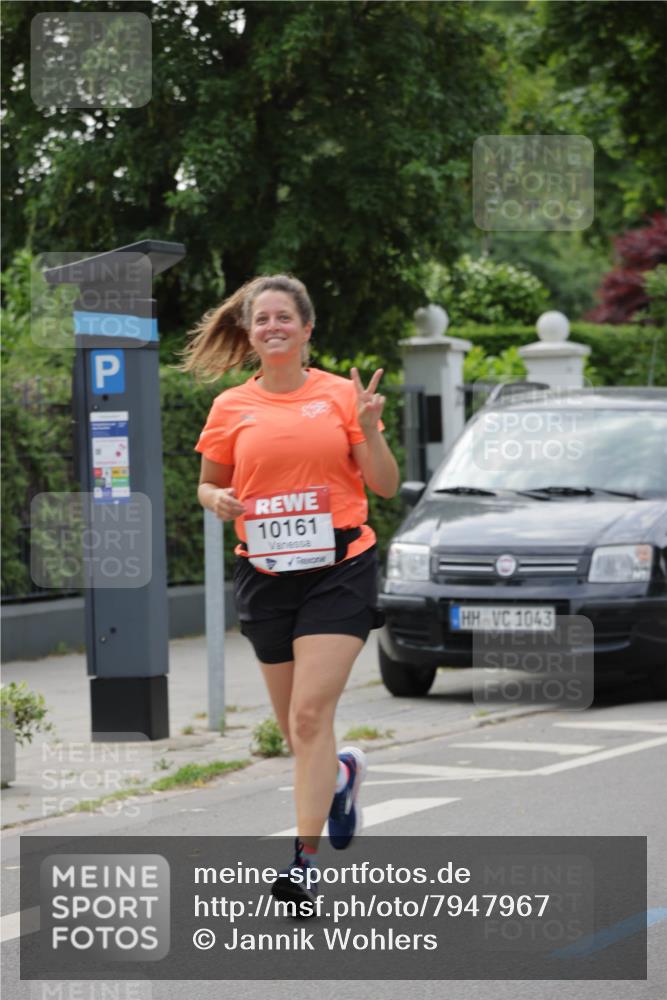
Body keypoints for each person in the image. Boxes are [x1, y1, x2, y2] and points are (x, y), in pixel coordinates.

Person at [178, 274, 399, 910]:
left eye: (284, 318)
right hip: (266, 573)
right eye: (261, 319)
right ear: (249, 335)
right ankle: (340, 776)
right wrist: (215, 498)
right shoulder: (230, 407)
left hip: (339, 567)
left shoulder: (340, 397)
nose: (272, 327)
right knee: (296, 733)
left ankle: (302, 864)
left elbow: (383, 486)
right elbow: (207, 483)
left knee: (309, 717)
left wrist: (370, 428)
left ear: (307, 330)